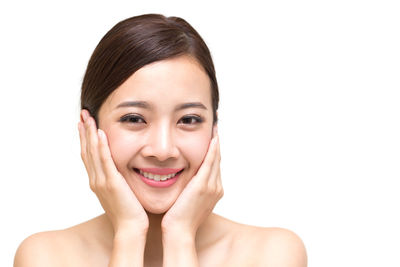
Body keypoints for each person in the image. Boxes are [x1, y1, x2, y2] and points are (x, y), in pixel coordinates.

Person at [14, 14, 307, 267]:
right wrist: (129, 233)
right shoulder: (45, 257)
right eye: (134, 119)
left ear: (214, 128)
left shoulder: (272, 254)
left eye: (189, 120)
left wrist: (180, 235)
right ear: (89, 130)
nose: (163, 150)